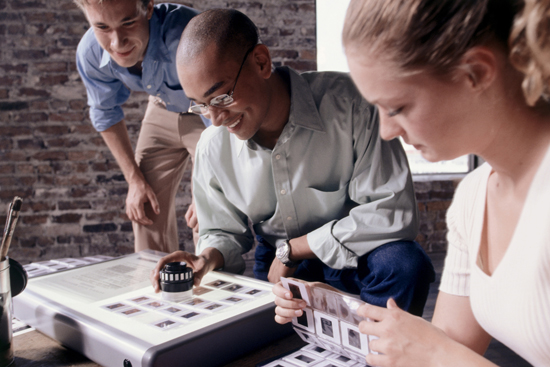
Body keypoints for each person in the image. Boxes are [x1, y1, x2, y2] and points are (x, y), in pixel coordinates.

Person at [276, 0, 549, 365]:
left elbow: (442, 354)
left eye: (397, 107)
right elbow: (450, 345)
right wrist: (330, 304)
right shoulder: (473, 197)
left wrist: (437, 353)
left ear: (477, 72)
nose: (386, 131)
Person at [151, 8, 436, 317]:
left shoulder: (353, 105)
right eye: (202, 106)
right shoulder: (212, 146)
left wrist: (294, 248)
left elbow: (392, 211)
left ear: (261, 62)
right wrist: (206, 258)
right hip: (278, 267)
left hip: (355, 255)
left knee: (405, 265)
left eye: (221, 98)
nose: (216, 120)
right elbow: (224, 232)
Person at [74, 0, 208, 253]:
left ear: (148, 8)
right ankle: (156, 286)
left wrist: (213, 189)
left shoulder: (190, 36)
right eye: (102, 27)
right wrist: (134, 181)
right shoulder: (90, 52)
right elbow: (105, 112)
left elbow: (221, 112)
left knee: (208, 211)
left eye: (128, 23)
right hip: (161, 106)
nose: (117, 42)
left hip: (207, 111)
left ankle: (212, 284)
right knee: (144, 204)